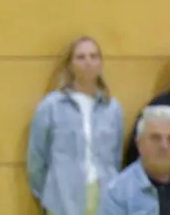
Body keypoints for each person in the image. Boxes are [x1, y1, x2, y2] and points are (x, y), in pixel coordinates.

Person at [28, 37, 124, 215]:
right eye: (81, 57)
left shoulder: (113, 108)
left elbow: (116, 157)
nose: (88, 62)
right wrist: (49, 197)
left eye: (93, 56)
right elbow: (37, 159)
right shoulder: (51, 106)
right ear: (70, 65)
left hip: (104, 195)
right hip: (62, 198)